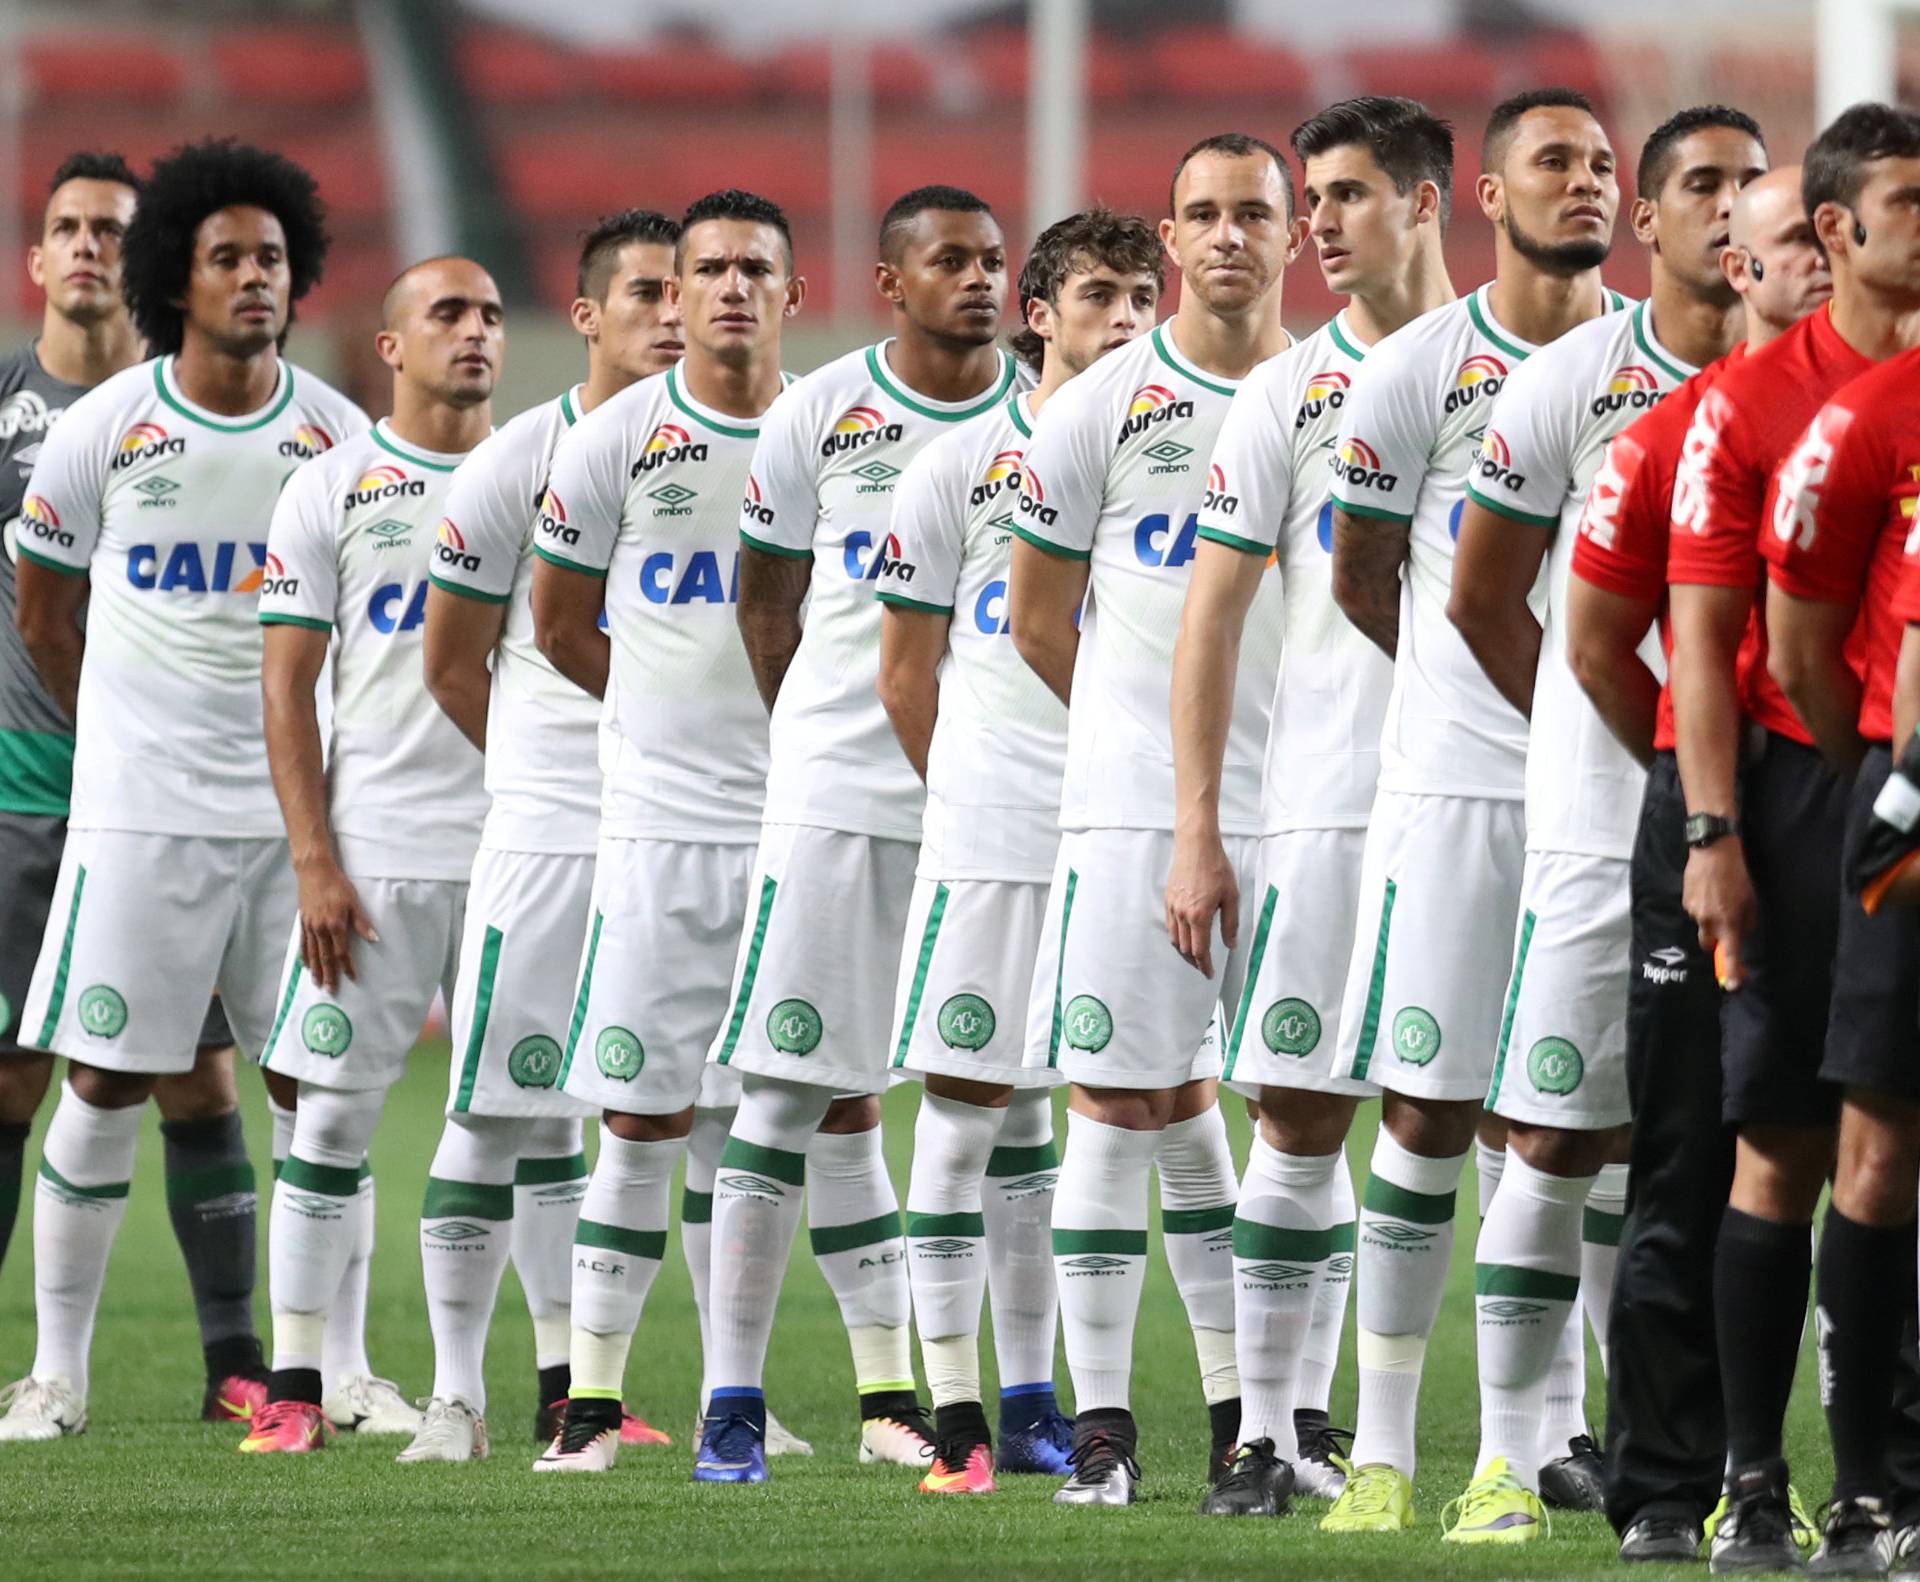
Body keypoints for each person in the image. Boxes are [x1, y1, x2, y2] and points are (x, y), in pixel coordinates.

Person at [0, 139, 366, 1443]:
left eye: (271, 256)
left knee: (320, 1086)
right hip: (141, 816)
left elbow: (369, 625)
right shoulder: (106, 427)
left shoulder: (336, 433)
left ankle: (343, 1365)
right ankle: (58, 1374)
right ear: (179, 277)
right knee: (101, 1078)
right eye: (226, 257)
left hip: (295, 823)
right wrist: (130, 730)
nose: (254, 276)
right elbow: (46, 612)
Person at [1441, 104, 1763, 1544]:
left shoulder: (1813, 385)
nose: (1731, 205)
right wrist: (1623, 754)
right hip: (1603, 820)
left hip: (1782, 821)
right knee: (1562, 1132)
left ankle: (1743, 1467)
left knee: (1766, 1147)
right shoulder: (1574, 381)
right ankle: (1510, 1455)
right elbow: (1483, 599)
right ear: (1648, 218)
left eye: (1756, 182)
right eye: (1702, 181)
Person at [1316, 88, 1627, 1533]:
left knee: (1588, 1120)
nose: (1589, 182)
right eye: (1556, 161)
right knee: (1433, 1113)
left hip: (1611, 792)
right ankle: (1382, 1446)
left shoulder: (1654, 363)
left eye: (1602, 162)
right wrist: (1497, 699)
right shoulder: (1413, 375)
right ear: (1489, 193)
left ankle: (1568, 1432)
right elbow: (1363, 576)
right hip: (1453, 789)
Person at [694, 185, 1018, 1485]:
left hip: (987, 800)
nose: (981, 278)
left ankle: (958, 1397)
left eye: (996, 258)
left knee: (983, 1100)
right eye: (952, 259)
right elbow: (765, 606)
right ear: (891, 282)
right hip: (836, 795)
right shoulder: (818, 411)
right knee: (788, 1091)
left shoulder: (1042, 410)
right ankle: (731, 1399)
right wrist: (823, 743)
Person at [1168, 95, 1455, 1516]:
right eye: (1314, 198)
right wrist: (1200, 827)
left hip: (1490, 800)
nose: (1319, 226)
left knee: (1544, 1125)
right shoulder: (1282, 395)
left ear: (1425, 202)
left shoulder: (1525, 375)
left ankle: (1548, 1428)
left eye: (1347, 196)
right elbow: (1210, 621)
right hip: (1326, 807)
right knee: (1299, 1117)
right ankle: (1275, 1435)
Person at [1008, 132, 1302, 1507]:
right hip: (1136, 812)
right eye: (1204, 213)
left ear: (1292, 235)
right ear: (1169, 240)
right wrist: (1152, 761)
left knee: (1300, 1111)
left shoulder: (1351, 393)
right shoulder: (1094, 409)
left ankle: (1276, 1424)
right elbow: (1033, 616)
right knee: (1118, 1098)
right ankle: (1110, 1432)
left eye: (1255, 211)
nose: (1229, 234)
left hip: (1315, 805)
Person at [1663, 103, 1920, 1572]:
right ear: (1834, 228)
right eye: (1904, 199)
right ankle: (1754, 1479)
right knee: (1781, 1140)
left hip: (1892, 774)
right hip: (1806, 782)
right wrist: (1717, 826)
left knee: (1896, 1139)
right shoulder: (1750, 405)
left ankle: (1881, 1477)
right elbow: (1708, 641)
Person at [1566, 162, 1834, 1564]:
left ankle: (1863, 1478)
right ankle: (1667, 1484)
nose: (1819, 264)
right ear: (1739, 264)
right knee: (1685, 1152)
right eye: (1795, 241)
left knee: (1869, 1153)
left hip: (1859, 806)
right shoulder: (1675, 433)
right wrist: (1688, 781)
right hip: (1717, 815)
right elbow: (1598, 645)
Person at [877, 206, 1162, 1495]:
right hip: (994, 827)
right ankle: (957, 1417)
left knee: (1093, 1113)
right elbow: (903, 672)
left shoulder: (1177, 447)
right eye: (1098, 294)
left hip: (1126, 822)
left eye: (1138, 295)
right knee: (965, 1107)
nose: (1126, 319)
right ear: (1040, 313)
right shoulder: (953, 466)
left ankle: (1044, 1401)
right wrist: (971, 800)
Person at [524, 189, 805, 1474]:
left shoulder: (838, 431)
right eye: (710, 270)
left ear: (793, 293)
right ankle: (588, 1406)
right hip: (658, 832)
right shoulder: (612, 440)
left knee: (801, 1115)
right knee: (640, 1116)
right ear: (675, 295)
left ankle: (752, 1402)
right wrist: (658, 720)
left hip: (805, 828)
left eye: (757, 268)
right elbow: (561, 625)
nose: (734, 288)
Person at [413, 208, 684, 1459]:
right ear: (584, 316)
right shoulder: (517, 461)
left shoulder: (744, 445)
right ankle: (455, 1394)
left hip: (686, 829)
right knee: (498, 1112)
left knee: (651, 1114)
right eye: (643, 292)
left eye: (686, 288)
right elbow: (455, 663)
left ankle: (584, 1388)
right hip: (553, 832)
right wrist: (542, 775)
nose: (674, 311)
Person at [239, 255, 501, 1455]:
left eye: (493, 314)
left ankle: (544, 1390)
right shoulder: (333, 487)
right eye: (447, 313)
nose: (477, 333)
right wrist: (314, 860)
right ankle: (298, 1383)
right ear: (389, 346)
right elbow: (286, 688)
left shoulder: (549, 470)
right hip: (382, 848)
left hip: (522, 845)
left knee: (530, 1120)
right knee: (332, 1114)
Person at [1757, 130, 1920, 1571]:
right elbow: (1808, 642)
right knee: (1870, 1152)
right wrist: (1890, 777)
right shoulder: (1871, 422)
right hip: (1906, 825)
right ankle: (1867, 1488)